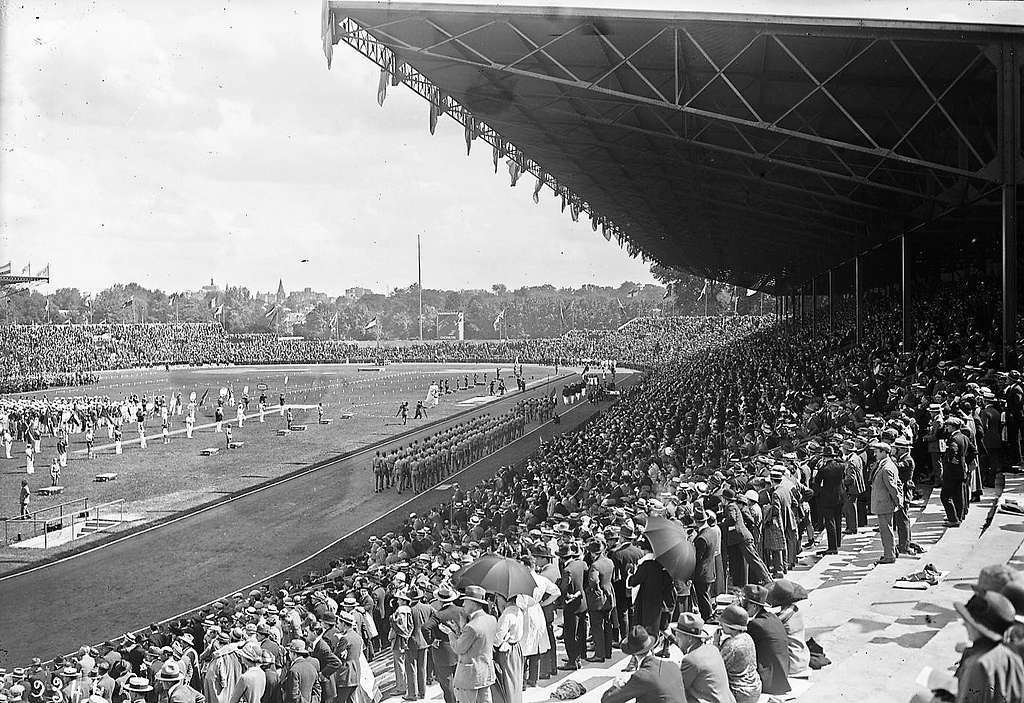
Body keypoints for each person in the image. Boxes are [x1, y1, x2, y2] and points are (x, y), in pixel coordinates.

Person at [953, 591, 1024, 703]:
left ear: (978, 627)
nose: (964, 624)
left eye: (968, 620)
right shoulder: (1013, 656)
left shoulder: (978, 665)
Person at [441, 585, 497, 703]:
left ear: (473, 603)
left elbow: (458, 648)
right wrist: (459, 629)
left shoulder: (472, 626)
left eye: (465, 601)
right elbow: (476, 642)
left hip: (470, 677)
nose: (463, 605)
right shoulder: (491, 619)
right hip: (485, 672)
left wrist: (450, 633)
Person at [600, 626, 685, 703]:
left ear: (633, 654)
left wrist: (616, 685)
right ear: (651, 646)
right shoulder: (672, 665)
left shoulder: (641, 677)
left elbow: (607, 700)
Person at [671, 612, 735, 703]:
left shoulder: (691, 660)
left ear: (689, 638)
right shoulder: (713, 649)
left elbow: (677, 688)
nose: (676, 639)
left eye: (678, 635)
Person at [739, 585, 789, 696]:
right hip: (782, 673)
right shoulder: (772, 617)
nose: (743, 608)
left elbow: (742, 647)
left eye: (745, 605)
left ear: (754, 606)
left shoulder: (756, 624)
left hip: (769, 680)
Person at [423, 587, 462, 703]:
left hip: (443, 651)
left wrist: (431, 641)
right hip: (459, 648)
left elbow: (425, 627)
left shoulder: (438, 615)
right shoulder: (461, 611)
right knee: (460, 681)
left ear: (440, 601)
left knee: (446, 683)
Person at [714, 605, 760, 703]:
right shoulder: (747, 637)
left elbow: (716, 667)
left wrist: (715, 644)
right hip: (755, 688)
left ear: (731, 626)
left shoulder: (731, 645)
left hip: (740, 693)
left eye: (723, 623)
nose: (720, 625)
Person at [766, 580, 810, 679]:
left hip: (792, 662)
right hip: (803, 658)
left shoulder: (782, 618)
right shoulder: (795, 610)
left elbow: (768, 625)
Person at [869, 441, 901, 565]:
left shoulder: (887, 467)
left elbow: (893, 487)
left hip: (885, 503)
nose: (875, 454)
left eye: (877, 452)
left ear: (884, 452)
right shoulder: (884, 464)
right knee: (887, 529)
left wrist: (898, 501)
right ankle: (891, 552)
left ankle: (889, 555)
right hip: (884, 503)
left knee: (886, 531)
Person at [584, 540, 616, 663]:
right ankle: (607, 652)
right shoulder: (609, 561)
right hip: (609, 595)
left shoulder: (595, 565)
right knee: (607, 625)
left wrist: (594, 589)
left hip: (598, 599)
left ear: (592, 553)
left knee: (597, 626)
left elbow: (593, 580)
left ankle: (599, 654)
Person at [811, 446, 845, 555]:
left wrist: (818, 493)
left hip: (827, 498)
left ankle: (832, 547)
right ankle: (838, 542)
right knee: (838, 520)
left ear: (825, 457)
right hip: (839, 496)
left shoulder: (823, 469)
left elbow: (816, 483)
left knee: (830, 522)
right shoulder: (841, 466)